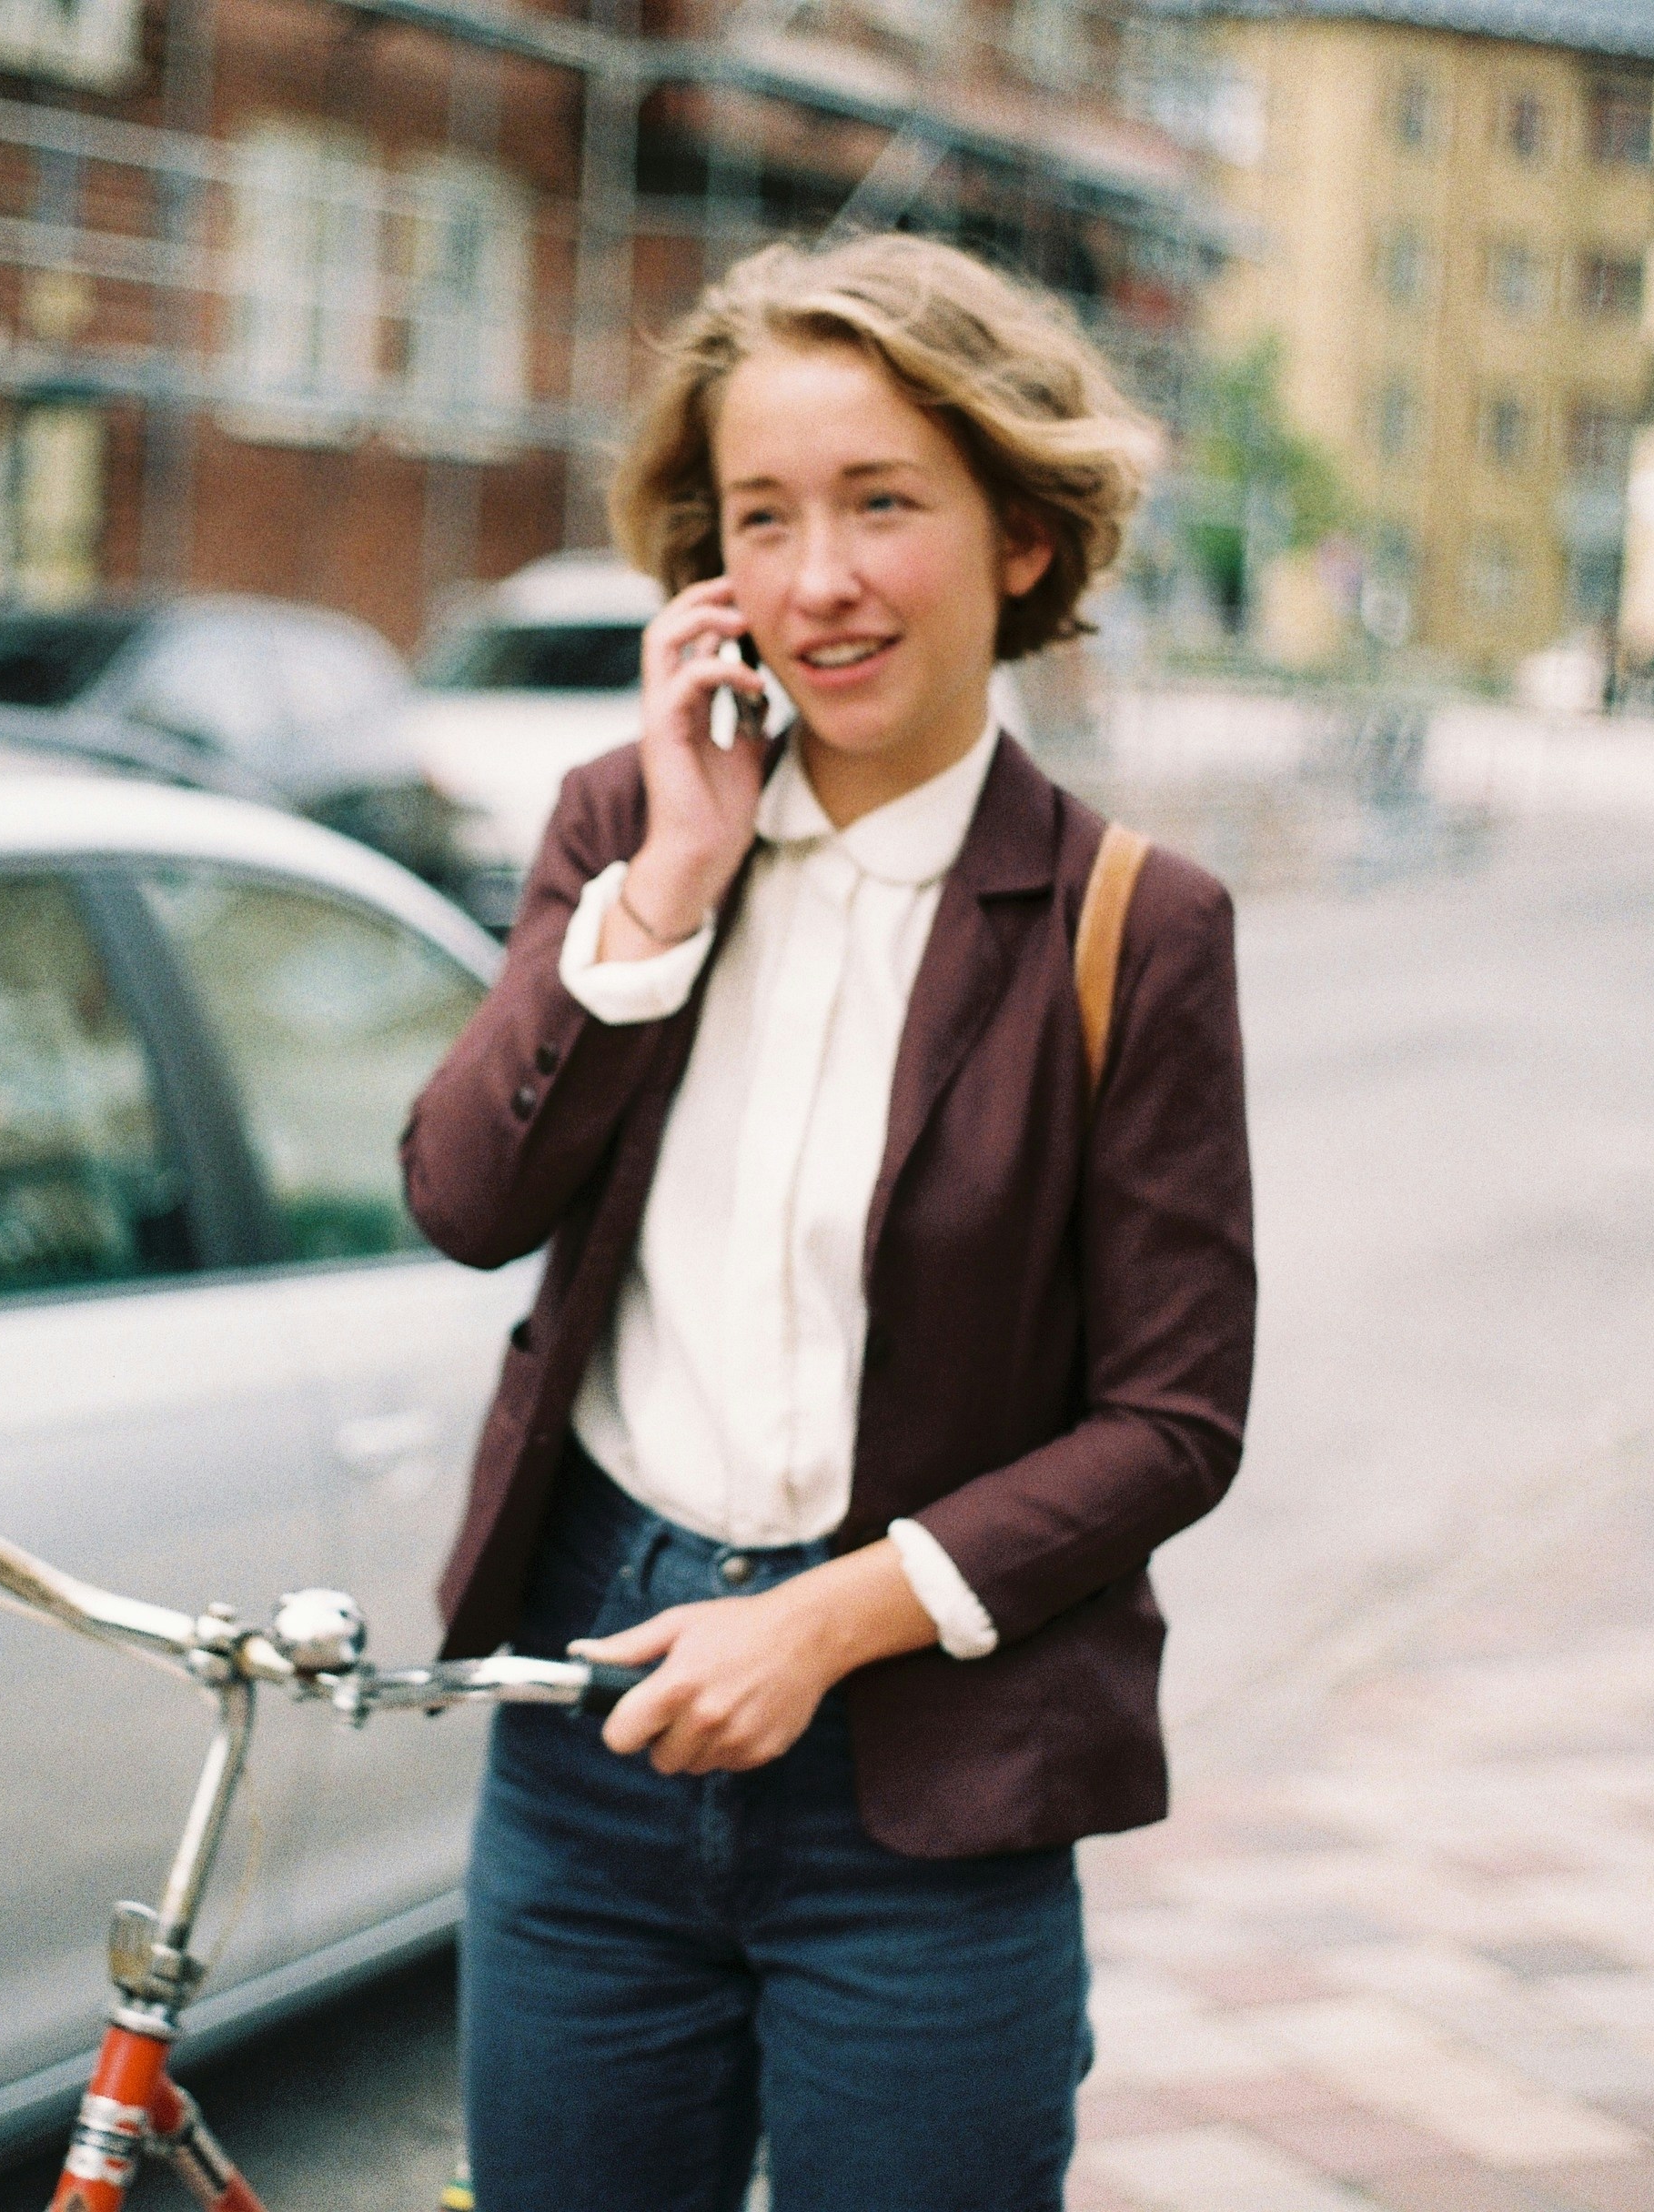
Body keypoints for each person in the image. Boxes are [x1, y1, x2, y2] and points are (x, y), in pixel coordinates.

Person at [398, 232, 1259, 2212]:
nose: (817, 581)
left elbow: (1174, 1420)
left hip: (928, 1790)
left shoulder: (1136, 926)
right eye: (764, 516)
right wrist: (674, 880)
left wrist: (826, 1620)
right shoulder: (623, 822)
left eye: (883, 504)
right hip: (596, 1724)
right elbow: (463, 1198)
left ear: (1019, 536)